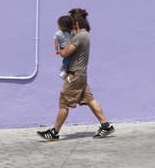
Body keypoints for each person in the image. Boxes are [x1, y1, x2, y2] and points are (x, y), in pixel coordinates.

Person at [37, 8, 115, 140]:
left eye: (71, 20)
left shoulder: (79, 36)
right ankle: (106, 126)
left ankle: (54, 132)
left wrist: (61, 50)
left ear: (76, 21)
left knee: (64, 102)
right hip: (81, 74)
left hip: (75, 75)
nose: (69, 22)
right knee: (89, 99)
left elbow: (66, 53)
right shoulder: (83, 34)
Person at [54, 15, 74, 79]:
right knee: (69, 59)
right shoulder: (72, 32)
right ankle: (64, 70)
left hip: (63, 48)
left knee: (67, 59)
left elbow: (56, 43)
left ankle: (64, 70)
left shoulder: (58, 33)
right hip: (70, 47)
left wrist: (56, 50)